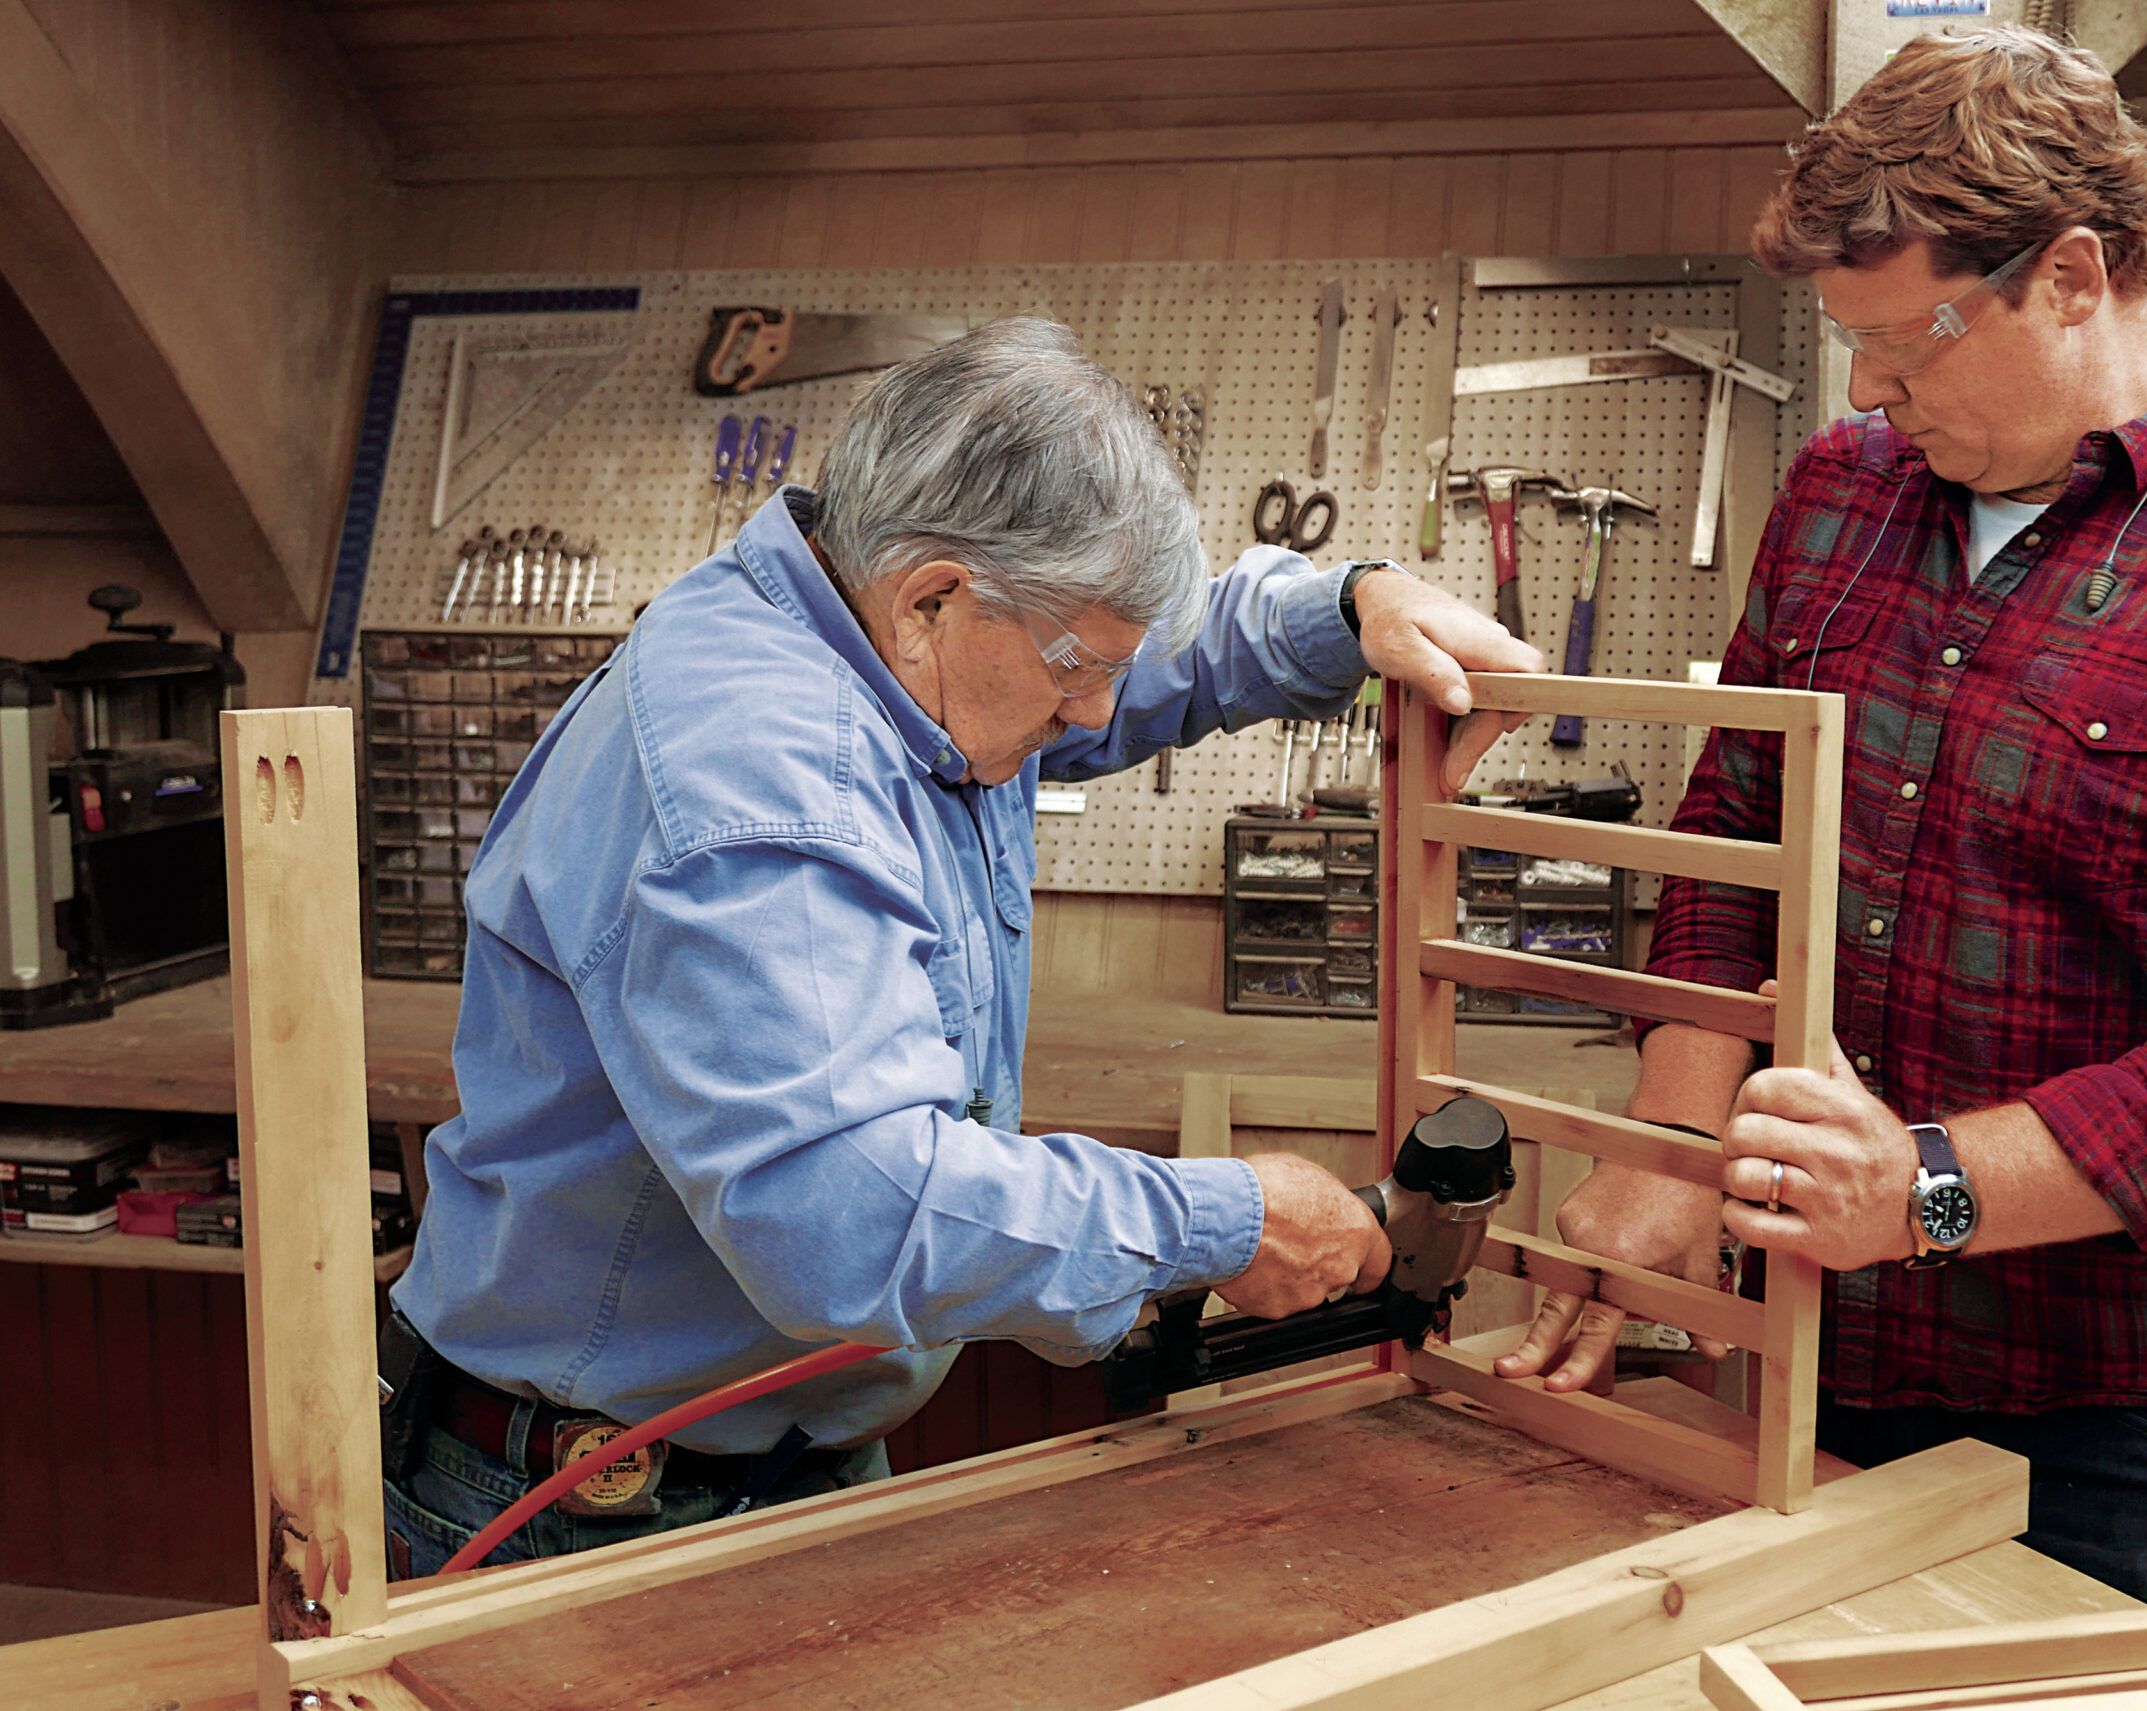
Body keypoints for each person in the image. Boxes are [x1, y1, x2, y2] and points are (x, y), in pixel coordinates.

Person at [1498, 25, 2147, 1601]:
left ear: (2076, 275)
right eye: (1851, 343)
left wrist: (1933, 1186)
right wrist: (1677, 1144)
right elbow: (1739, 829)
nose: (1871, 386)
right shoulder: (1840, 491)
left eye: (1912, 338)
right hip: (1839, 1342)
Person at [381, 316, 1538, 1574]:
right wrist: (1229, 1220)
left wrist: (1351, 605)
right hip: (589, 1497)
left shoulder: (884, 638)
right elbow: (854, 1216)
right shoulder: (766, 782)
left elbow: (1139, 664)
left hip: (764, 1453)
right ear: (933, 596)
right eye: (1076, 671)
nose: (1095, 713)